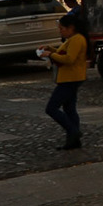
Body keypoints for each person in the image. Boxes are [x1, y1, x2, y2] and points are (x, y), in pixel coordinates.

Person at [39, 15, 88, 150]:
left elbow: (69, 58)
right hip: (70, 77)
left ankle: (73, 131)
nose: (60, 31)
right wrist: (51, 49)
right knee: (69, 109)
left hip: (71, 78)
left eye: (61, 28)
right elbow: (63, 52)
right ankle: (73, 140)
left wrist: (50, 55)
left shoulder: (77, 39)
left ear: (70, 28)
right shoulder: (72, 39)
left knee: (52, 108)